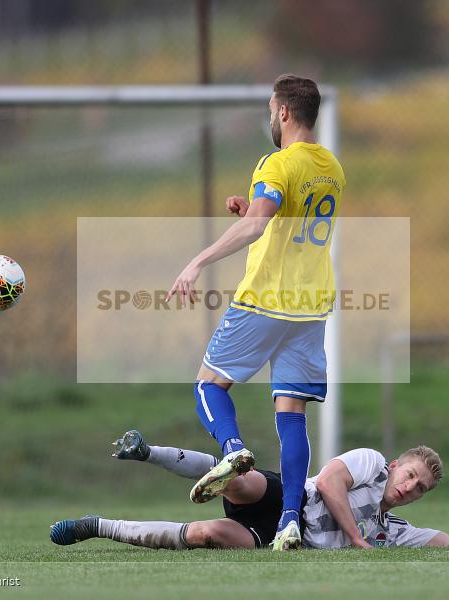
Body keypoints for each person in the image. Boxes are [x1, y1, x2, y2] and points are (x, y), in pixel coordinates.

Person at [166, 74, 346, 550]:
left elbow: (260, 225)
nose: (270, 117)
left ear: (284, 112)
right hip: (310, 306)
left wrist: (197, 262)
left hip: (266, 299)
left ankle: (233, 451)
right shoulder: (332, 167)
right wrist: (250, 211)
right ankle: (290, 519)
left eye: (271, 109)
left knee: (209, 383)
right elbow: (284, 223)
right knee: (291, 414)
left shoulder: (276, 162)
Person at [49, 431, 449, 550]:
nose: (408, 488)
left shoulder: (393, 531)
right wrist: (355, 538)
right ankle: (149, 453)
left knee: (206, 532)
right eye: (410, 476)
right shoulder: (372, 465)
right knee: (245, 481)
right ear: (398, 464)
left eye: (419, 489)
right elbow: (332, 481)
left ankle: (96, 526)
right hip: (291, 500)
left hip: (274, 540)